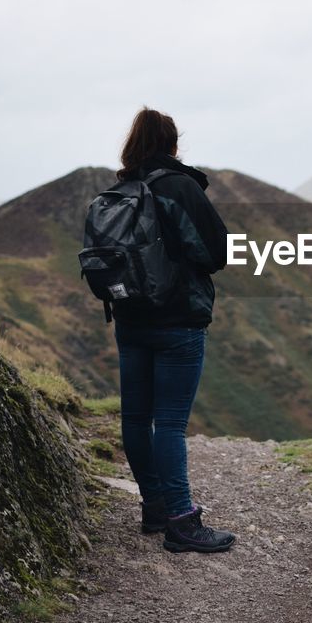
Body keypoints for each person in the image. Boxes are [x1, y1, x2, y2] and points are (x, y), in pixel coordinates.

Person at [110, 106, 235, 553]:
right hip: (177, 321)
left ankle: (155, 508)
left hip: (129, 320)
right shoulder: (179, 187)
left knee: (136, 419)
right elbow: (216, 252)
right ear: (172, 143)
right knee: (169, 424)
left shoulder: (120, 190)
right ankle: (182, 521)